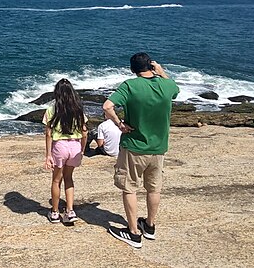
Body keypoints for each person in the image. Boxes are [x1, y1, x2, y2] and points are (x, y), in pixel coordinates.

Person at [103, 53, 179, 249]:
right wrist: (161, 73)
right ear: (151, 67)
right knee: (154, 188)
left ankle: (133, 233)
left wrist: (120, 124)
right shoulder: (167, 86)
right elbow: (175, 90)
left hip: (135, 146)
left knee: (130, 188)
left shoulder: (130, 86)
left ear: (132, 70)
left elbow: (107, 106)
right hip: (158, 147)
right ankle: (150, 226)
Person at [43, 78, 88, 224]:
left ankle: (55, 212)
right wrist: (81, 150)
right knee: (69, 178)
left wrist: (48, 155)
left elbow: (48, 133)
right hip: (75, 145)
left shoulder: (51, 110)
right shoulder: (78, 110)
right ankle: (70, 211)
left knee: (56, 180)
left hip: (60, 146)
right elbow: (85, 132)